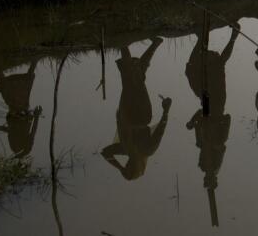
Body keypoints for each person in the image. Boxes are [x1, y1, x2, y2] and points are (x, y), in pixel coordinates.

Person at [184, 21, 238, 228]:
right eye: (210, 179)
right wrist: (211, 136)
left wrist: (193, 122)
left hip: (207, 102)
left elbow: (200, 118)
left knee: (193, 70)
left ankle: (201, 40)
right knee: (214, 66)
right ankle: (232, 36)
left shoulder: (203, 153)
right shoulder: (218, 146)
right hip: (216, 103)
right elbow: (226, 119)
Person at [101, 38, 171, 180]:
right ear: (139, 166)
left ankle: (153, 43)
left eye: (126, 166)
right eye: (129, 166)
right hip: (141, 114)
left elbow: (105, 153)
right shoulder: (146, 150)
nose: (127, 164)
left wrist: (120, 168)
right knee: (133, 77)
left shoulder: (126, 149)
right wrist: (166, 111)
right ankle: (123, 43)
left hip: (129, 113)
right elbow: (160, 131)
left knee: (135, 77)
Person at [0, 61, 41, 158]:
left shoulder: (16, 143)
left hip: (16, 111)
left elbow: (8, 130)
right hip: (22, 111)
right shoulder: (23, 145)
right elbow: (32, 131)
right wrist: (36, 115)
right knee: (23, 85)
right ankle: (34, 61)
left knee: (9, 89)